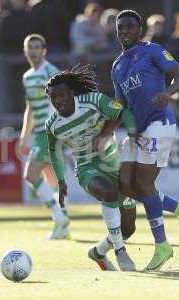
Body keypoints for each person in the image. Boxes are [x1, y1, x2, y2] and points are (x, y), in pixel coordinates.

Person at [112, 10, 179, 271]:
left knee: (143, 182)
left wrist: (168, 92)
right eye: (120, 27)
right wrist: (106, 124)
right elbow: (121, 104)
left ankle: (162, 245)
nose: (124, 30)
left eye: (129, 26)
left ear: (139, 30)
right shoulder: (116, 65)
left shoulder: (152, 50)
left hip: (160, 123)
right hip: (136, 131)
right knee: (127, 185)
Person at [45, 64, 137, 271]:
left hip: (115, 164)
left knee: (128, 229)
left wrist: (130, 136)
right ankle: (121, 252)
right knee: (108, 192)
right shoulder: (52, 124)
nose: (58, 100)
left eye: (62, 95)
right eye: (53, 97)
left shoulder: (94, 101)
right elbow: (54, 152)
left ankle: (98, 252)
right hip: (87, 168)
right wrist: (61, 180)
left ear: (73, 93)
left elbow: (122, 112)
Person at [18, 34, 70, 239]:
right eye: (29, 47)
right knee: (52, 181)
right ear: (25, 51)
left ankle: (59, 218)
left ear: (44, 50)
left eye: (37, 47)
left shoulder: (51, 72)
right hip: (39, 131)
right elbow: (29, 107)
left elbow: (67, 99)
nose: (33, 51)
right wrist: (24, 135)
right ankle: (62, 226)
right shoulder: (28, 77)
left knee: (30, 175)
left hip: (51, 131)